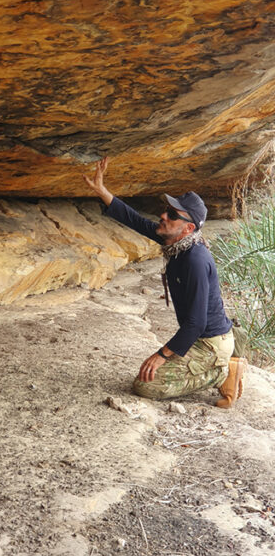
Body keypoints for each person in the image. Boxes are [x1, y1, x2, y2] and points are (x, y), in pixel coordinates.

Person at [83, 157, 246, 407]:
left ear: (188, 227)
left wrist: (161, 355)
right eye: (166, 210)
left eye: (171, 214)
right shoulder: (176, 242)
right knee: (146, 377)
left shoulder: (195, 259)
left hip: (210, 343)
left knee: (145, 385)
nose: (163, 215)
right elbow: (136, 220)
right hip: (199, 336)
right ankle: (220, 367)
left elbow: (196, 323)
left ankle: (223, 372)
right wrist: (102, 191)